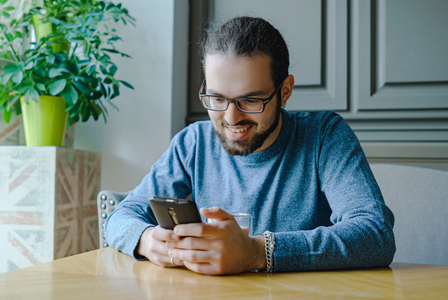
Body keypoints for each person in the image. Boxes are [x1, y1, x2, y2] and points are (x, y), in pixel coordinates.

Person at [105, 16, 395, 275]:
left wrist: (257, 252)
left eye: (251, 100)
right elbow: (121, 216)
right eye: (217, 99)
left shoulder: (324, 136)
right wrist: (145, 239)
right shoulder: (192, 143)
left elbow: (375, 234)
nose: (231, 119)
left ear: (285, 91)